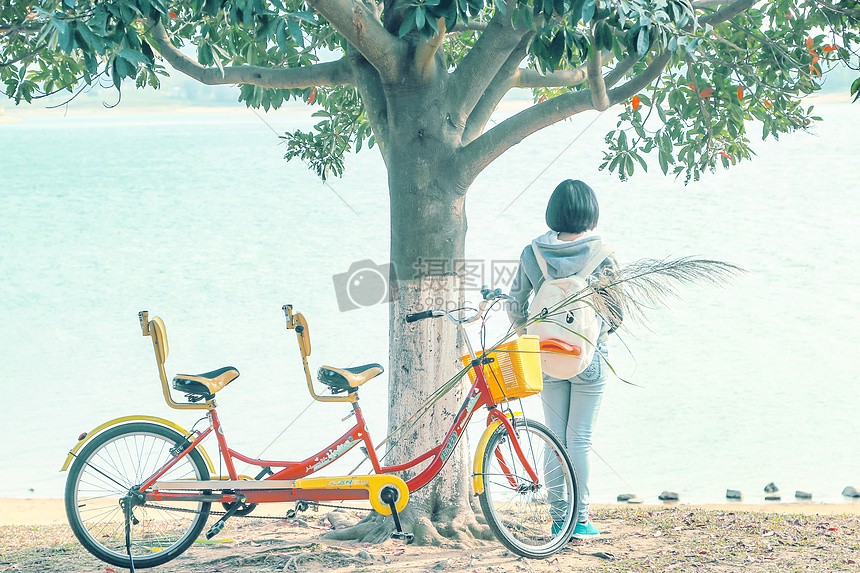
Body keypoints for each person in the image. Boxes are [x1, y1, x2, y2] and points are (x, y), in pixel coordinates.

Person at [507, 179, 619, 540]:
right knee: (579, 440)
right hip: (589, 360)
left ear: (553, 212)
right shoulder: (603, 254)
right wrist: (598, 337)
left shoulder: (532, 253)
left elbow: (515, 305)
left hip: (545, 357)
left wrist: (531, 336)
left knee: (554, 437)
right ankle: (581, 520)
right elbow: (617, 312)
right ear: (592, 213)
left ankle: (559, 520)